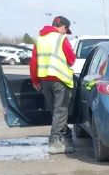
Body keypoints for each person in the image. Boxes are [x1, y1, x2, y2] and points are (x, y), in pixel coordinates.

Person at [30, 15, 77, 154]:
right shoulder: (61, 38)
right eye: (65, 30)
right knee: (61, 111)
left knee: (55, 112)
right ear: (63, 27)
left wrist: (35, 81)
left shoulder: (39, 39)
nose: (65, 33)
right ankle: (54, 141)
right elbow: (72, 59)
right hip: (60, 79)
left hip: (45, 80)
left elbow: (33, 63)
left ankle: (66, 137)